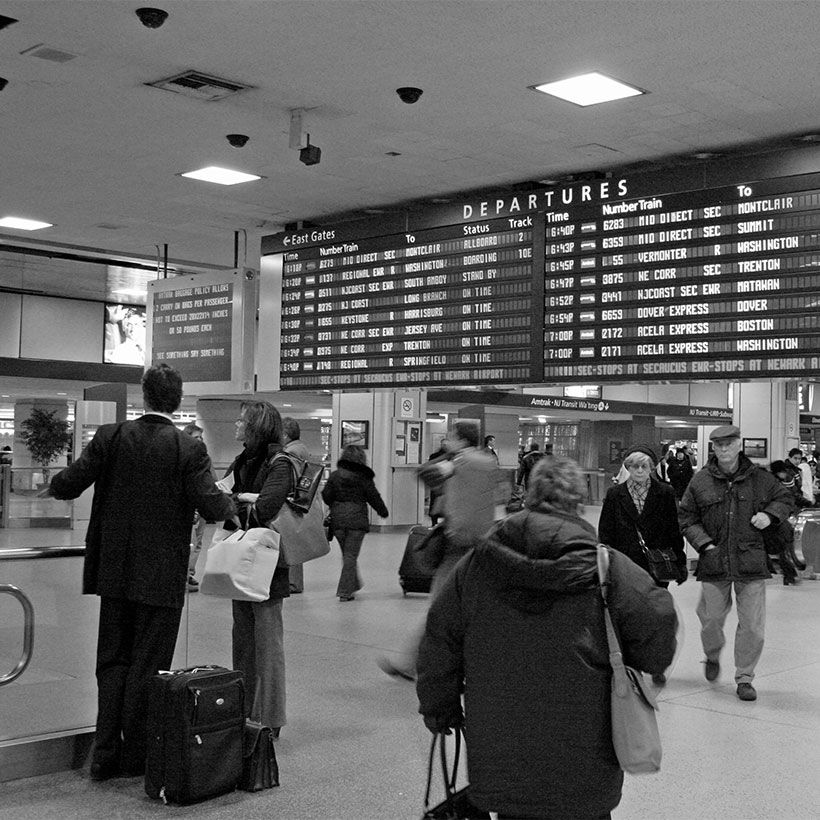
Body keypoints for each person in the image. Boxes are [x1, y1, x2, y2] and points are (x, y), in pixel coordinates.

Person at [416, 456, 678, 820]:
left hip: (500, 738)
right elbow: (658, 623)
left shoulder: (477, 565)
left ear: (530, 496)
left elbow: (439, 640)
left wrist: (438, 709)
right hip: (587, 739)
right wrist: (642, 664)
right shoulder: (608, 567)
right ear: (577, 501)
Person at [45, 364, 235, 781]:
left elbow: (70, 482)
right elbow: (212, 505)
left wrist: (53, 486)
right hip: (161, 577)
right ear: (177, 399)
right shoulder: (188, 449)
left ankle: (104, 753)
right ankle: (135, 756)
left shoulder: (110, 437)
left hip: (113, 571)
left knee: (111, 660)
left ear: (144, 396)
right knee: (149, 666)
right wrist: (240, 508)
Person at [679, 425, 793, 702]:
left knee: (752, 625)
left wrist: (770, 515)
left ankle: (744, 677)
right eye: (719, 445)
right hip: (714, 561)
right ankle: (712, 654)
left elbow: (785, 498)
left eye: (729, 444)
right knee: (711, 620)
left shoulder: (761, 479)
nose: (725, 449)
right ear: (713, 449)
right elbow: (686, 517)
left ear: (739, 445)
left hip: (750, 561)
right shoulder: (701, 481)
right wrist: (704, 543)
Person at [379, 420, 497, 680]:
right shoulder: (488, 462)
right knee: (473, 607)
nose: (447, 441)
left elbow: (426, 473)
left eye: (450, 437)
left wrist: (450, 455)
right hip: (483, 542)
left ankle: (412, 663)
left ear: (460, 439)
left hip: (457, 543)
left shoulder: (459, 462)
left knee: (438, 607)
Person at [224, 400, 295, 737]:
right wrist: (243, 499)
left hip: (268, 564)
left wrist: (244, 500)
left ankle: (269, 717)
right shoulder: (242, 461)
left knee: (267, 644)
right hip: (241, 558)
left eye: (241, 421)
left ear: (255, 427)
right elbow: (226, 500)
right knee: (242, 640)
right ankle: (245, 709)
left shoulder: (279, 463)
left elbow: (266, 507)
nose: (236, 426)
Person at [599, 445, 687, 685]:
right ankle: (628, 664)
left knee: (658, 614)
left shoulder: (665, 493)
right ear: (627, 468)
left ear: (652, 468)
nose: (639, 470)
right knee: (626, 615)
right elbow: (605, 531)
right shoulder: (615, 494)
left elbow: (673, 529)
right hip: (625, 564)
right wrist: (604, 561)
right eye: (634, 466)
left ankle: (657, 661)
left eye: (644, 466)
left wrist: (679, 561)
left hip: (656, 563)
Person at [321, 444, 389, 601]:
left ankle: (353, 585)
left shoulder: (335, 475)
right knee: (351, 556)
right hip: (357, 521)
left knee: (347, 555)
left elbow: (326, 496)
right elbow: (373, 496)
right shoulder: (363, 477)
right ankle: (344, 591)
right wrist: (383, 511)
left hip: (338, 520)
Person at [182, 422, 208, 591]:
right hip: (190, 509)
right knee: (189, 543)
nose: (199, 440)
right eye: (195, 437)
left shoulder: (205, 458)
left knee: (197, 543)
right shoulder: (183, 459)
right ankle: (183, 577)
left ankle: (189, 574)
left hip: (202, 508)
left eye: (201, 437)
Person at [426, 437, 448, 525]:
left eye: (446, 445)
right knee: (435, 503)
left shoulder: (452, 456)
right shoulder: (434, 456)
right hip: (438, 483)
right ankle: (434, 522)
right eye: (444, 444)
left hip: (445, 483)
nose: (445, 446)